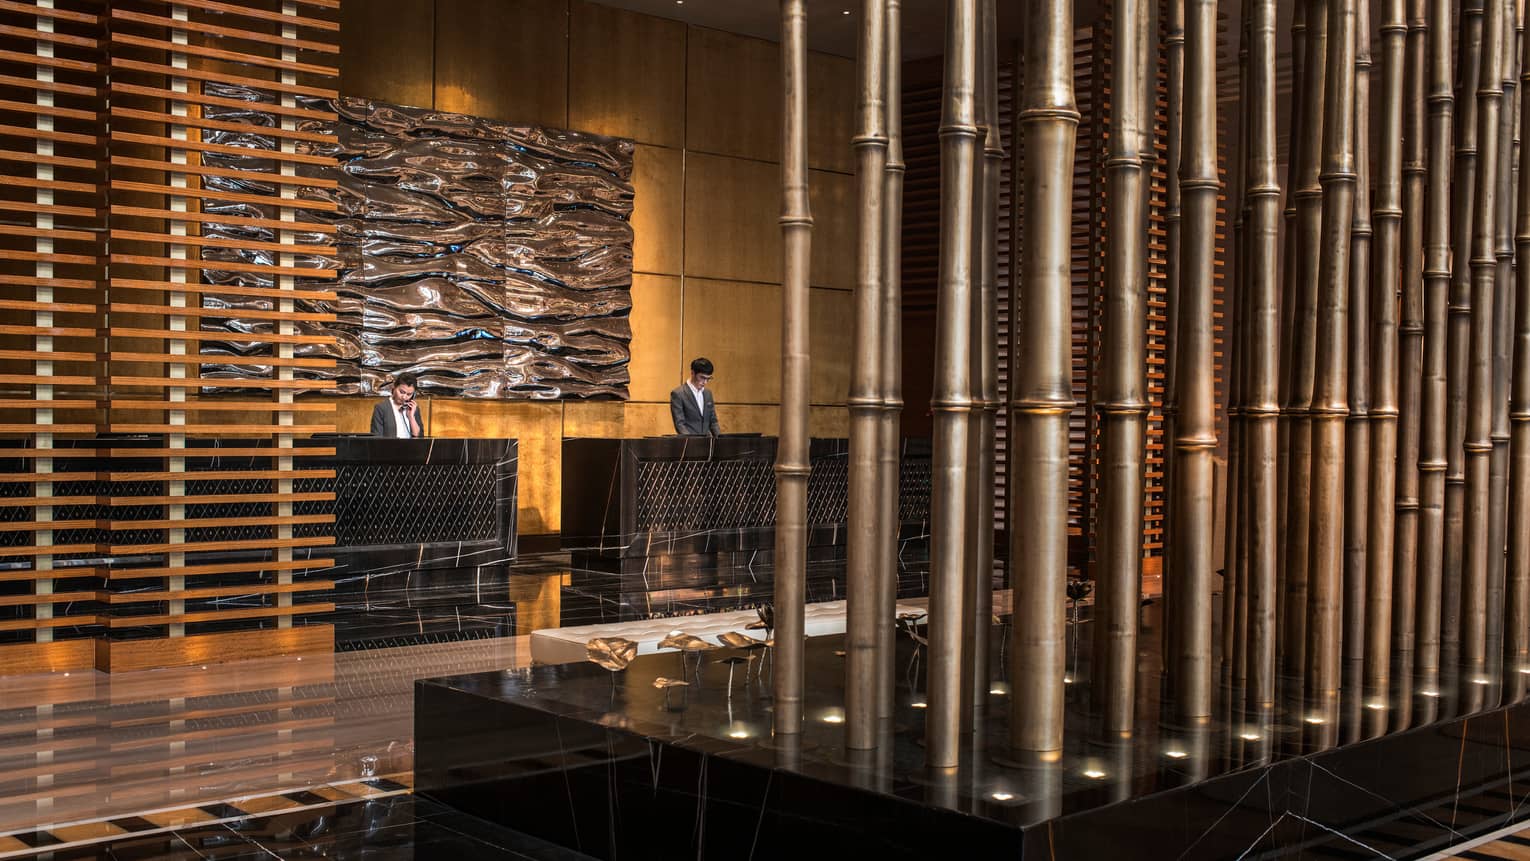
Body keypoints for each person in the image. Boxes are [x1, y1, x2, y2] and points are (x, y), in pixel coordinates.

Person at [670, 357, 721, 436]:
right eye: (702, 377)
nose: (705, 382)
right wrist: (693, 442)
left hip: (708, 443)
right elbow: (680, 424)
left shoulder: (708, 394)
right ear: (692, 373)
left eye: (708, 379)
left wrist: (720, 441)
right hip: (690, 444)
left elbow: (713, 421)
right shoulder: (678, 394)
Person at [371, 372, 423, 438]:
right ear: (394, 387)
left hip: (411, 447)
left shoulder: (414, 408)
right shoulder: (381, 408)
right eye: (401, 392)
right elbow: (376, 438)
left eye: (409, 394)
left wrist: (411, 417)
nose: (404, 397)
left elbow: (419, 437)